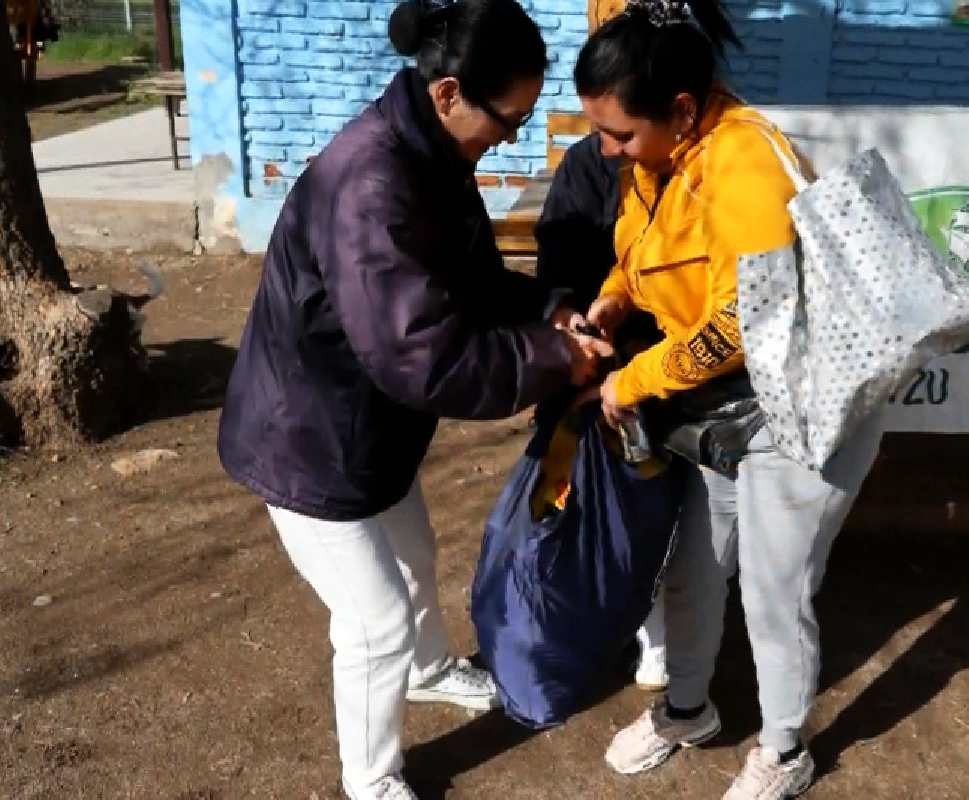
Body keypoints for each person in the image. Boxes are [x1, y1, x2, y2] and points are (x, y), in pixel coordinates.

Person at [216, 0, 608, 797]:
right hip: (307, 444)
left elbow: (466, 281)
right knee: (375, 622)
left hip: (364, 429)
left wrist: (546, 310)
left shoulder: (433, 157)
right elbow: (423, 358)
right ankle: (370, 780)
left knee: (416, 560)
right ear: (448, 94)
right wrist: (557, 359)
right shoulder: (372, 186)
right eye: (511, 118)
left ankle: (428, 671)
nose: (515, 137)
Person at [572, 0, 887, 797]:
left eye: (617, 133)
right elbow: (648, 253)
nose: (605, 150)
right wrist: (615, 298)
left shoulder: (742, 161)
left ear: (681, 111)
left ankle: (785, 751)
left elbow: (746, 320)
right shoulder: (661, 158)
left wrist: (634, 379)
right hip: (723, 410)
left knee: (775, 589)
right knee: (695, 568)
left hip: (803, 407)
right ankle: (687, 709)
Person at [533, 131, 670, 692]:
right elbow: (557, 262)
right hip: (588, 361)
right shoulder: (588, 163)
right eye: (603, 131)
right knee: (568, 496)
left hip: (662, 365)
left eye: (622, 129)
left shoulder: (700, 169)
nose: (612, 147)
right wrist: (574, 324)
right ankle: (583, 614)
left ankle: (655, 634)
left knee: (654, 501)